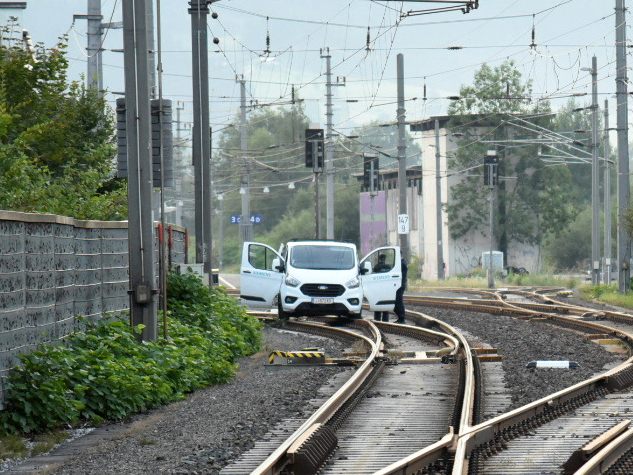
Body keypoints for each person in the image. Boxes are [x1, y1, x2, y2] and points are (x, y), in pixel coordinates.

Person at [372, 254, 391, 322]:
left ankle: (377, 320)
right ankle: (385, 322)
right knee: (386, 306)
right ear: (384, 259)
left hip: (378, 289)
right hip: (386, 289)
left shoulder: (376, 267)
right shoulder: (388, 267)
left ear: (379, 259)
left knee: (377, 305)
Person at [393, 257, 408, 324]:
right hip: (399, 284)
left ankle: (402, 318)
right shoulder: (402, 263)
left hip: (400, 285)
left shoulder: (402, 264)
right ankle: (400, 318)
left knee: (399, 301)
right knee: (398, 301)